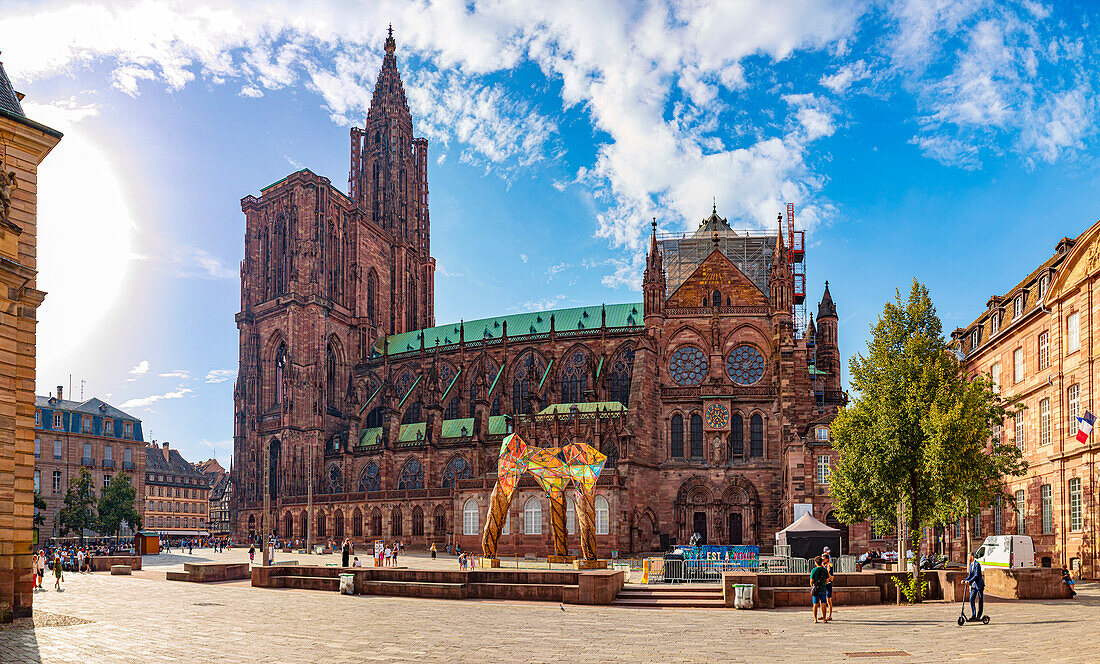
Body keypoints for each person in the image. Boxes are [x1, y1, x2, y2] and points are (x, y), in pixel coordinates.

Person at [963, 553, 984, 620]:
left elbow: (976, 575)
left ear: (972, 557)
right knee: (971, 598)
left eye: (969, 557)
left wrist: (969, 581)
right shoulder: (971, 565)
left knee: (980, 600)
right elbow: (970, 576)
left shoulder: (977, 564)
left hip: (979, 584)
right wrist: (965, 580)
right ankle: (973, 615)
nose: (968, 558)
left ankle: (979, 616)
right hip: (974, 585)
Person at [809, 556, 829, 623]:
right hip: (823, 588)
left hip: (816, 590)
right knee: (823, 604)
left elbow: (811, 581)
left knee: (815, 604)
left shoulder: (814, 570)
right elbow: (827, 580)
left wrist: (813, 587)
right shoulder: (824, 570)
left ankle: (815, 619)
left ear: (815, 562)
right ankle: (824, 619)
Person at [822, 551, 835, 622]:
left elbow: (832, 578)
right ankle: (823, 614)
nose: (822, 560)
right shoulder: (821, 566)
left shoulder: (830, 566)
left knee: (829, 600)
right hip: (822, 585)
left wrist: (827, 572)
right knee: (822, 600)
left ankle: (830, 615)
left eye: (824, 559)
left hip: (828, 584)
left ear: (827, 559)